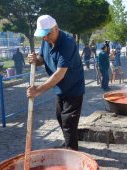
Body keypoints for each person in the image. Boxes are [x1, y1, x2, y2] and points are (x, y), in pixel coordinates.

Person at [26, 15, 85, 151]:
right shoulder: (46, 40)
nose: (45, 38)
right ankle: (68, 142)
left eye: (47, 34)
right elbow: (42, 59)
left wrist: (38, 89)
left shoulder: (67, 43)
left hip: (73, 88)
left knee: (68, 122)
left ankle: (71, 152)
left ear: (56, 28)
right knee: (60, 117)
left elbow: (60, 73)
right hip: (59, 88)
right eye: (43, 35)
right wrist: (35, 59)